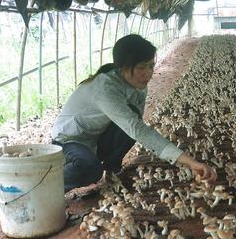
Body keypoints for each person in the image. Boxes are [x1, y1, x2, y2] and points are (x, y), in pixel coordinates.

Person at [51, 34, 216, 192]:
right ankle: (44, 187)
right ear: (123, 67)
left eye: (151, 66)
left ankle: (111, 170)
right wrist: (190, 162)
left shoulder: (138, 86)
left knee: (132, 121)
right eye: (140, 67)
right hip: (68, 141)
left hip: (96, 137)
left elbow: (135, 126)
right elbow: (137, 129)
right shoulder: (105, 88)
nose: (148, 73)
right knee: (91, 169)